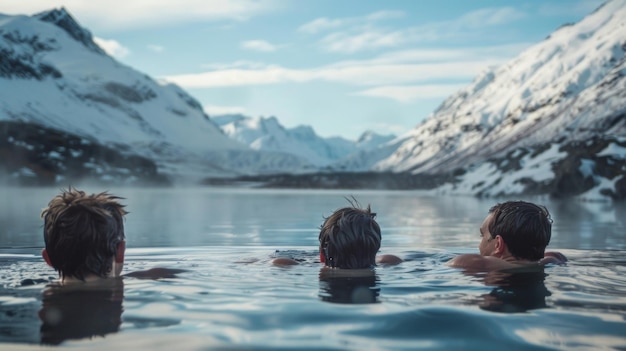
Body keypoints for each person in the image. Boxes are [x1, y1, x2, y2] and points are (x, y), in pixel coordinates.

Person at [447, 200, 567, 271]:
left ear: (498, 244)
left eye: (482, 235)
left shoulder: (475, 263)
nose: (479, 243)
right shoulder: (554, 260)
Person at [272, 203, 402, 267]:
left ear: (322, 256)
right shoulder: (390, 260)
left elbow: (275, 262)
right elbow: (385, 258)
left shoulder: (285, 263)